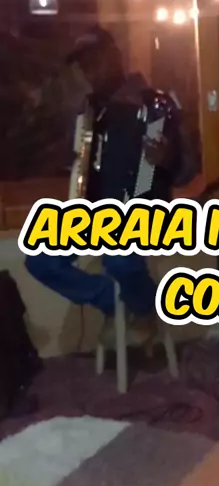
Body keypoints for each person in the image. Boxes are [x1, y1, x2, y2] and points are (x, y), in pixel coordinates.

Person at [25, 26, 186, 325]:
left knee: (118, 256)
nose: (89, 72)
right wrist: (75, 161)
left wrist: (165, 160)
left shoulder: (152, 104)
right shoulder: (91, 110)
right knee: (40, 260)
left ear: (114, 56)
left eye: (94, 61)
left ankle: (146, 307)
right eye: (84, 65)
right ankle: (114, 300)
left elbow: (180, 172)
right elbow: (83, 161)